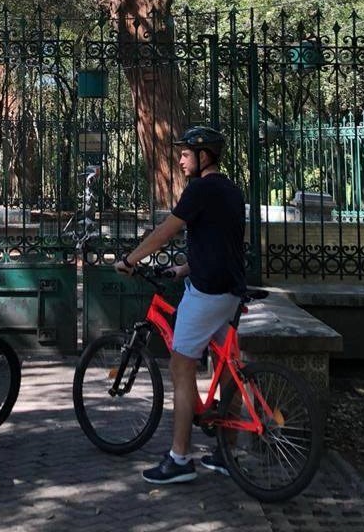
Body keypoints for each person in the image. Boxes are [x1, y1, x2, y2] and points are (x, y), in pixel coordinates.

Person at [114, 125, 247, 484]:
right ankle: (226, 453)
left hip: (206, 295)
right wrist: (184, 268)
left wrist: (130, 260)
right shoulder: (231, 190)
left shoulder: (200, 189)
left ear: (204, 156)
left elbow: (165, 231)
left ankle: (179, 458)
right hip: (230, 293)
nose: (181, 160)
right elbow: (223, 244)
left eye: (186, 154)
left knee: (181, 367)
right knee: (229, 368)